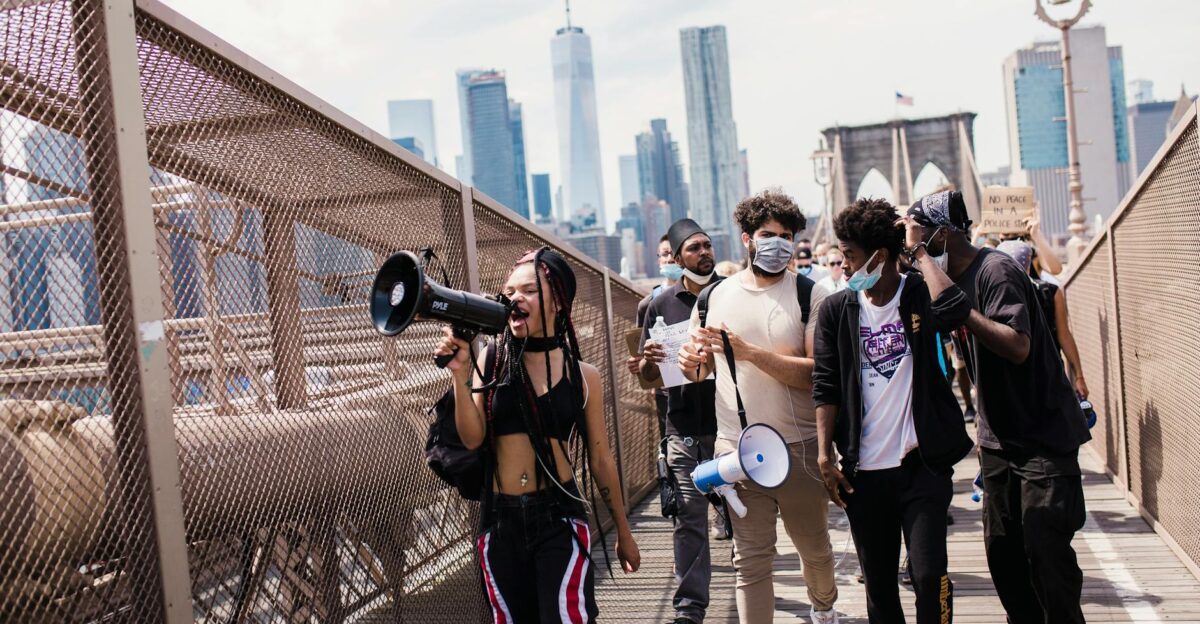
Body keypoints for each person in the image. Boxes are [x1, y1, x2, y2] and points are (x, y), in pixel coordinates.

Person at [903, 190, 1090, 624]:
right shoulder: (946, 278)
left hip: (1043, 435)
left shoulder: (996, 270)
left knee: (1046, 553)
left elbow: (1019, 346)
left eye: (921, 239)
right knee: (1003, 555)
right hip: (998, 440)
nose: (916, 249)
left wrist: (957, 304)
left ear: (943, 236)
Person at [436, 248, 640, 623]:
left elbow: (600, 458)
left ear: (559, 301)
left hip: (558, 517)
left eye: (529, 290)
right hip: (500, 521)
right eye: (510, 290)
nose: (515, 298)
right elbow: (472, 439)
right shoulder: (492, 359)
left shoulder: (584, 376)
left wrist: (623, 532)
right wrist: (459, 374)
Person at [679, 190, 840, 624]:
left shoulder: (813, 294)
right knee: (749, 563)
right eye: (768, 234)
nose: (778, 244)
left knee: (816, 551)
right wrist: (690, 364)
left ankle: (823, 608)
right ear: (747, 238)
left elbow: (815, 375)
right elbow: (698, 372)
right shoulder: (712, 298)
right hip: (738, 452)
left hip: (800, 447)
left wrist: (750, 353)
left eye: (786, 236)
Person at [812, 197, 973, 623]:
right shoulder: (836, 311)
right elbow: (825, 384)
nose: (843, 266)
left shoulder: (918, 294)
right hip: (864, 476)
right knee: (880, 588)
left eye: (850, 257)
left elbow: (955, 310)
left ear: (879, 257)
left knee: (929, 576)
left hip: (921, 467)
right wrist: (825, 455)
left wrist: (918, 252)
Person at [638, 219, 722, 624]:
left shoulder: (731, 295)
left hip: (731, 426)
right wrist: (648, 363)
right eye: (694, 248)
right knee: (690, 516)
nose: (705, 252)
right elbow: (646, 378)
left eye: (708, 245)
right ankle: (690, 607)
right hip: (683, 428)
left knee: (744, 515)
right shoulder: (659, 304)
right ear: (676, 256)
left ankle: (754, 578)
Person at [996, 240, 1089, 400]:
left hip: (1011, 382)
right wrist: (1079, 376)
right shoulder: (1050, 292)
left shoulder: (994, 297)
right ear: (1028, 264)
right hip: (1049, 375)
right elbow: (1064, 335)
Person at [631, 234, 681, 437]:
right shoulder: (648, 304)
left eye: (674, 252)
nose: (670, 258)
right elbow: (641, 354)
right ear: (658, 259)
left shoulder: (704, 293)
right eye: (665, 253)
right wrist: (639, 364)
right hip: (667, 395)